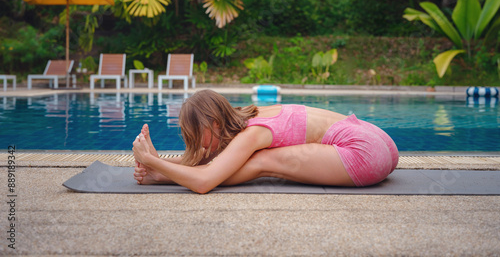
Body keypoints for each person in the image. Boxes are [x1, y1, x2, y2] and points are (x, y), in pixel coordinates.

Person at [132, 89, 399, 194]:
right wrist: (163, 164)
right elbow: (219, 160)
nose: (197, 145)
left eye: (196, 136)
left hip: (364, 155)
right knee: (247, 160)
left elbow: (205, 181)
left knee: (261, 162)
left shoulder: (253, 134)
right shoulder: (252, 114)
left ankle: (163, 174)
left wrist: (154, 165)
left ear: (214, 123)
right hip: (380, 141)